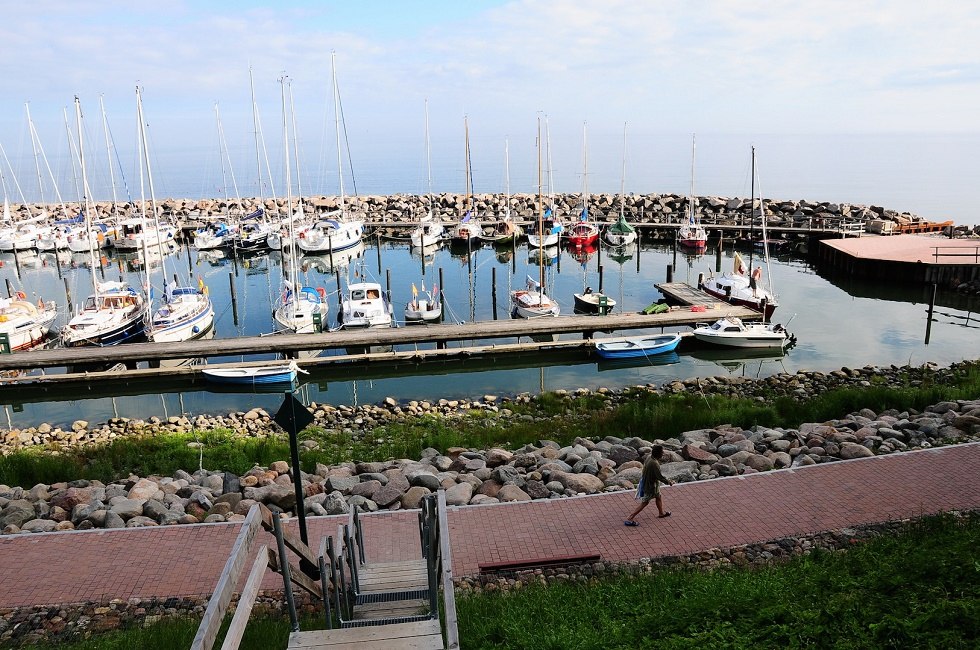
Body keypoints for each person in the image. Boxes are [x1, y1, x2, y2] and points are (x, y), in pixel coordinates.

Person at [624, 445, 673, 526]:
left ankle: (661, 513)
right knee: (645, 502)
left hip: (650, 483)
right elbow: (659, 476)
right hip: (651, 486)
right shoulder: (654, 464)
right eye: (662, 452)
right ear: (658, 454)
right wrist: (669, 482)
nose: (663, 453)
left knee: (658, 496)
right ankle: (630, 518)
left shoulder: (649, 457)